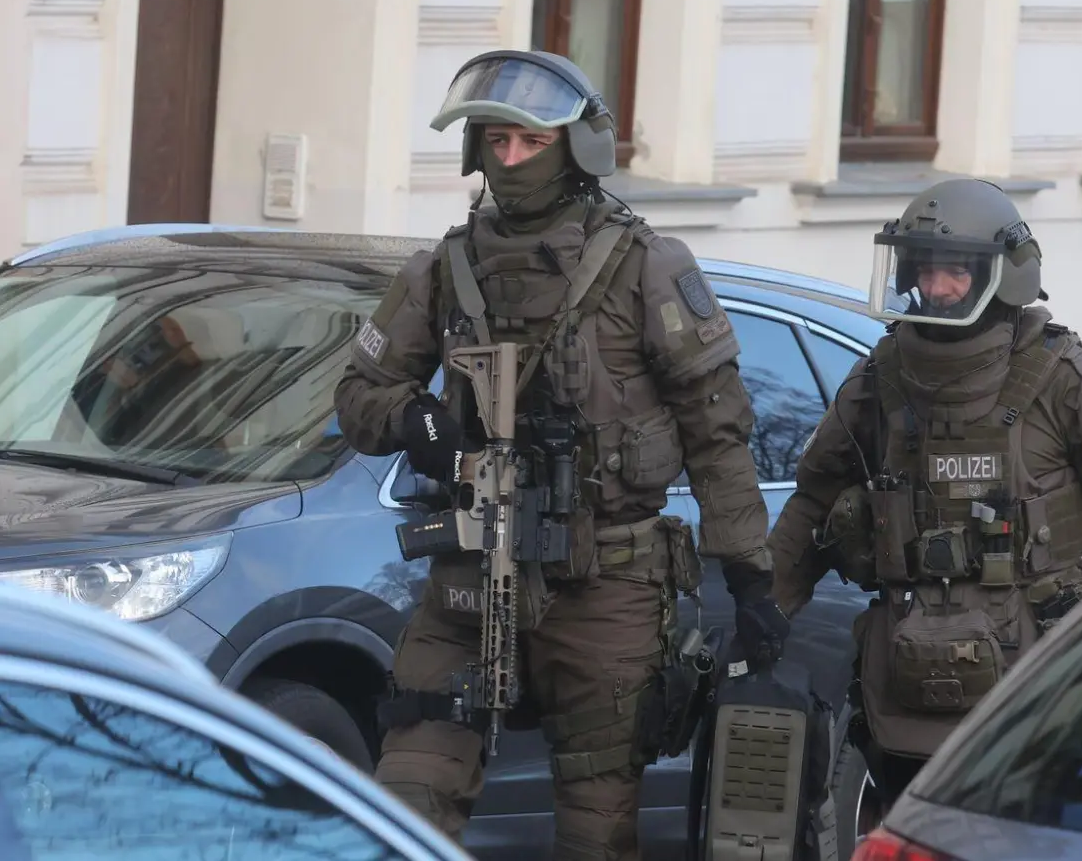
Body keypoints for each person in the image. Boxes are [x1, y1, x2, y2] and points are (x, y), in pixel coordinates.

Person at [333, 49, 789, 859]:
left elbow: (718, 430)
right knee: (404, 803)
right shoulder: (444, 267)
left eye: (530, 143)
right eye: (496, 141)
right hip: (470, 574)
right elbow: (359, 393)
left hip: (604, 584)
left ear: (576, 147)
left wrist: (753, 578)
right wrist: (414, 421)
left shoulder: (647, 266)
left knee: (594, 827)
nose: (510, 161)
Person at [765, 177, 1082, 809]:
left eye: (954, 272)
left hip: (1038, 676)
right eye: (924, 270)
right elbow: (815, 501)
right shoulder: (878, 378)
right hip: (906, 673)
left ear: (1004, 276)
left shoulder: (1065, 381)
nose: (937, 288)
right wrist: (765, 607)